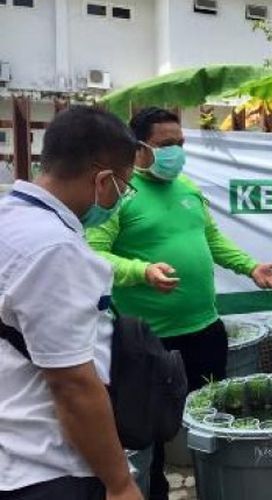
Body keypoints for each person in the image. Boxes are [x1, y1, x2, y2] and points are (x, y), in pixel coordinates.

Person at [86, 107, 272, 500]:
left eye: (180, 143)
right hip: (149, 343)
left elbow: (211, 240)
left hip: (205, 329)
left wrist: (250, 267)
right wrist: (142, 271)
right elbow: (94, 255)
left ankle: (221, 488)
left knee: (216, 419)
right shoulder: (120, 194)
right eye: (166, 145)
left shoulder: (188, 188)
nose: (177, 152)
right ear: (139, 148)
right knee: (150, 435)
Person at [0, 107, 142, 499]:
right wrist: (119, 483)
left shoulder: (11, 219)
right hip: (51, 466)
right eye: (123, 186)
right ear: (102, 180)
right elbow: (72, 384)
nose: (118, 198)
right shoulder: (55, 249)